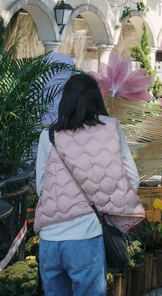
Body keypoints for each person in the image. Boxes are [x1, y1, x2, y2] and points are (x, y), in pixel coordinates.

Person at [35, 73, 145, 296]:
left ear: (65, 100)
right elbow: (132, 178)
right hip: (85, 236)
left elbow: (41, 188)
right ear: (96, 99)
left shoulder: (48, 135)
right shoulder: (111, 129)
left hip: (49, 240)